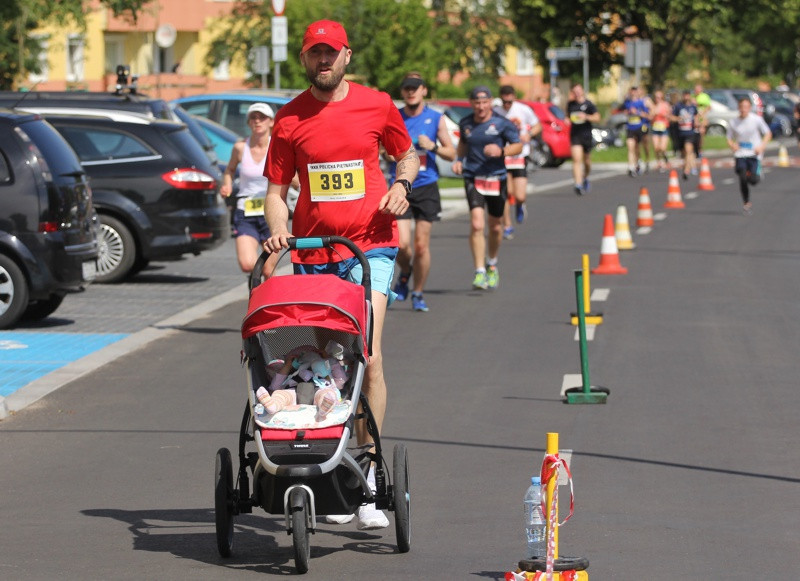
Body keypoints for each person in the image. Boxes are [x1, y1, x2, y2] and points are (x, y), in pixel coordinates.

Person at [263, 19, 419, 529]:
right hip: (313, 256)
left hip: (369, 247)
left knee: (366, 354)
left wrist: (402, 184)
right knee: (324, 363)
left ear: (347, 55)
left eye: (331, 52)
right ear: (305, 59)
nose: (322, 60)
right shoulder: (288, 120)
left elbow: (407, 154)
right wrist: (279, 234)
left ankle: (368, 477)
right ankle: (328, 465)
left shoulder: (377, 105)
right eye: (314, 53)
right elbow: (275, 193)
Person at [388, 73, 456, 312]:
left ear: (424, 90)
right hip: (402, 186)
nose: (411, 92)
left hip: (427, 185)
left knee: (421, 246)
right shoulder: (395, 116)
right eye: (407, 88)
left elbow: (451, 153)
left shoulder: (436, 118)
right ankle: (406, 271)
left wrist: (433, 146)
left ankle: (418, 292)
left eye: (415, 88)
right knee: (402, 244)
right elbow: (379, 148)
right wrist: (388, 154)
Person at [452, 86, 521, 290]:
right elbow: (463, 144)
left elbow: (517, 145)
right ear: (471, 104)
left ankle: (492, 263)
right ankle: (479, 271)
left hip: (496, 177)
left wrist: (501, 151)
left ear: (491, 102)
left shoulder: (502, 123)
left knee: (495, 226)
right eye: (477, 103)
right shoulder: (466, 123)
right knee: (476, 224)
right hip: (473, 176)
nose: (481, 107)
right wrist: (459, 160)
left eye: (484, 102)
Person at [220, 102, 279, 277]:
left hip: (271, 212)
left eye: (262, 117)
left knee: (268, 269)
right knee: (247, 264)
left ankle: (267, 301)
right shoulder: (240, 148)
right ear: (248, 123)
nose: (257, 121)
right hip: (246, 211)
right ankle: (255, 283)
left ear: (271, 122)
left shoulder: (277, 147)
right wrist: (227, 184)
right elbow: (229, 170)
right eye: (253, 117)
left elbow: (294, 177)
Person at [495, 85, 541, 236]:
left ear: (514, 98)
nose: (507, 105)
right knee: (506, 192)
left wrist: (529, 134)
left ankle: (520, 205)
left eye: (509, 102)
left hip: (520, 155)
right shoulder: (496, 112)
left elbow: (537, 125)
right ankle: (507, 225)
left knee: (519, 195)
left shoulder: (523, 109)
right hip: (503, 155)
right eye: (504, 102)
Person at [726, 97, 771, 215]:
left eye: (746, 107)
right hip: (740, 153)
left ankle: (757, 174)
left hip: (754, 154)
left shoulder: (756, 120)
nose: (743, 110)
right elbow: (729, 138)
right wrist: (732, 145)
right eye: (741, 107)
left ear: (750, 108)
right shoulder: (733, 122)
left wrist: (761, 146)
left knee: (753, 181)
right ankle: (746, 202)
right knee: (742, 177)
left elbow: (767, 133)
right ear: (738, 108)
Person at [566, 83, 601, 195]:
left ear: (582, 91)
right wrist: (567, 120)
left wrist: (586, 117)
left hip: (586, 135)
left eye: (578, 91)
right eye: (574, 91)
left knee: (587, 162)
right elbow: (567, 116)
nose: (576, 93)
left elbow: (597, 117)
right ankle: (578, 184)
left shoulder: (589, 104)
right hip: (575, 135)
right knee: (576, 160)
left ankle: (585, 177)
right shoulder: (570, 104)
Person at [671, 90, 699, 180]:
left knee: (688, 150)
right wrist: (679, 118)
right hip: (680, 133)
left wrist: (698, 123)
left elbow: (697, 117)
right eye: (685, 95)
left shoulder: (693, 107)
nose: (686, 97)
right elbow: (671, 117)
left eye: (688, 95)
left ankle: (686, 170)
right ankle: (687, 165)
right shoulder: (678, 106)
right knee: (683, 153)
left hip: (690, 133)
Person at [623, 86, 650, 176]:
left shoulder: (641, 102)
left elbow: (647, 115)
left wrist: (637, 113)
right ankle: (631, 167)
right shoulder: (627, 103)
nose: (633, 93)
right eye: (631, 92)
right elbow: (624, 110)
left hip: (640, 127)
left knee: (638, 147)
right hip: (630, 128)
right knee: (630, 147)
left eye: (635, 92)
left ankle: (640, 161)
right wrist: (627, 112)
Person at [650, 90, 672, 172]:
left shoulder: (665, 105)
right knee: (656, 147)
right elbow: (650, 117)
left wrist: (664, 115)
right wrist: (653, 114)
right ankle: (659, 162)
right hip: (655, 128)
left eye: (659, 97)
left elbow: (670, 116)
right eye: (656, 97)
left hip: (664, 128)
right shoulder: (653, 106)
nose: (657, 99)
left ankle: (666, 159)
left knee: (662, 148)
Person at [693, 84, 711, 163]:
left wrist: (703, 113)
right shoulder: (693, 97)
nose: (696, 91)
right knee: (694, 134)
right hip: (695, 119)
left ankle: (699, 149)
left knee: (701, 133)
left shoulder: (704, 96)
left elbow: (708, 107)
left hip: (702, 118)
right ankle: (695, 149)